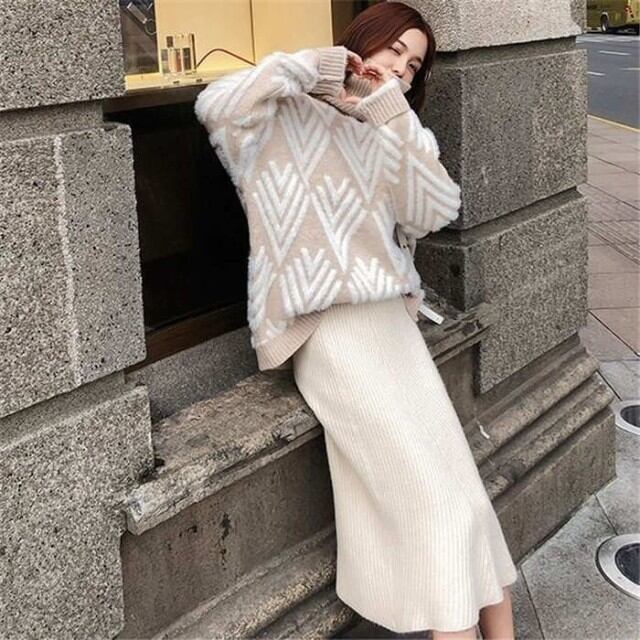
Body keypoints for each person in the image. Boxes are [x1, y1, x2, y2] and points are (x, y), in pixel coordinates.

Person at [194, 2, 518, 638]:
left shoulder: (390, 127)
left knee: (465, 495)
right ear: (362, 41)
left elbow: (436, 208)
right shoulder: (281, 110)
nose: (400, 68)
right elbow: (216, 104)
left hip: (390, 324)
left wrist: (391, 114)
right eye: (394, 50)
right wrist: (318, 68)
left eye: (413, 65)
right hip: (328, 329)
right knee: (438, 506)